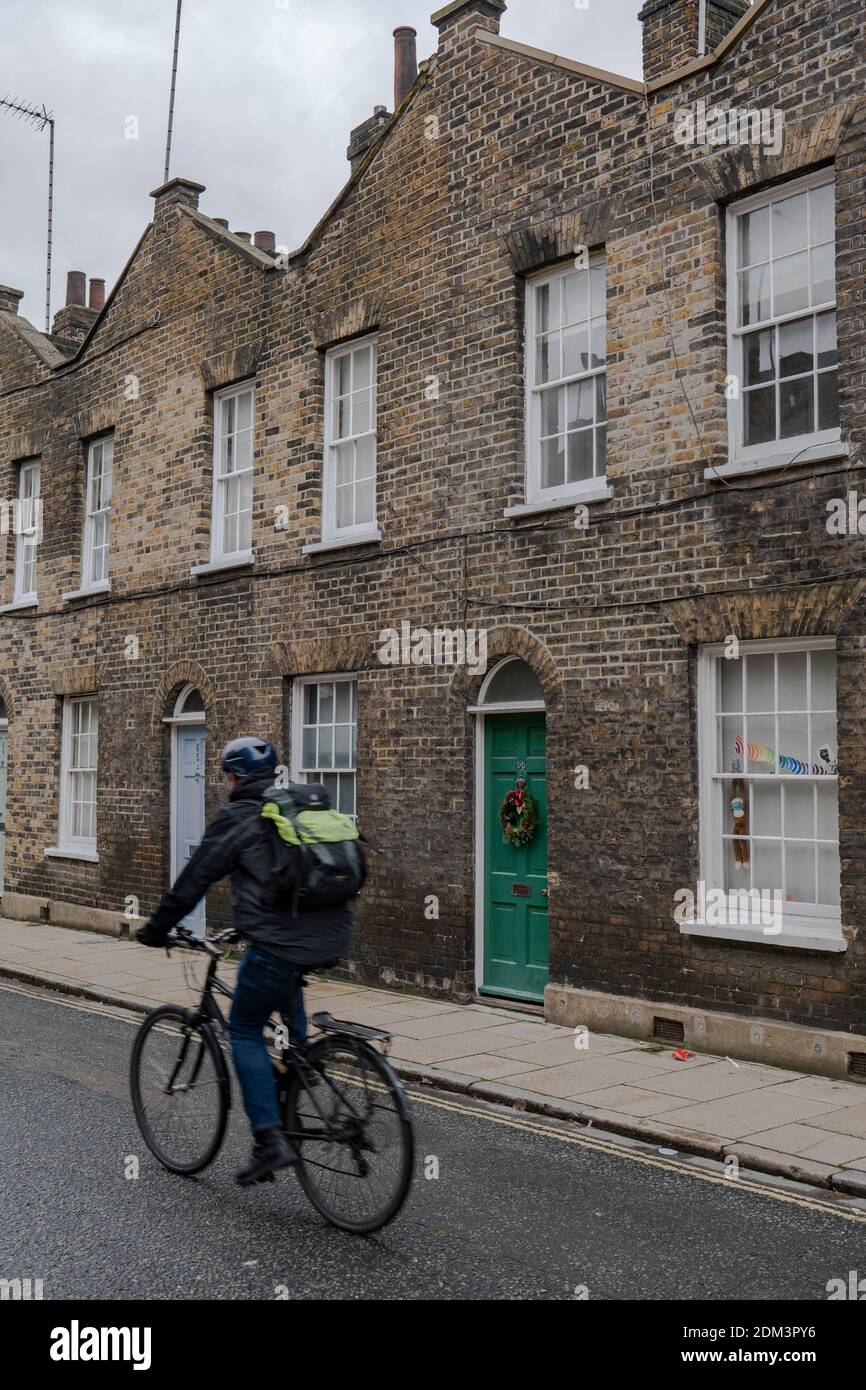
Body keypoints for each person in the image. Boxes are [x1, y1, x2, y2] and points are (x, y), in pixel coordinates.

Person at [136, 737, 352, 1186]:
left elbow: (194, 879)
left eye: (226, 776)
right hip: (328, 937)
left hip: (278, 945)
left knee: (244, 1029)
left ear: (234, 778)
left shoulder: (237, 818)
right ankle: (297, 1075)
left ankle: (270, 1139)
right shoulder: (290, 813)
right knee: (286, 1026)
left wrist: (157, 929)